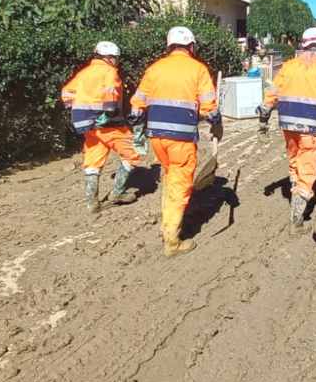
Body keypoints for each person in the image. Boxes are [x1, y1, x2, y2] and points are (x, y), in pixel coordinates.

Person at [129, 27, 222, 257]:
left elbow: (137, 104)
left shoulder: (154, 69)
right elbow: (209, 107)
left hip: (157, 137)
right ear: (191, 46)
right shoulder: (198, 69)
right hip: (180, 138)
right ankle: (172, 240)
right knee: (180, 184)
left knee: (170, 177)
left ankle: (167, 225)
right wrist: (216, 121)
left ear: (169, 46)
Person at [256, 28, 316, 235]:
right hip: (310, 129)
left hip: (288, 126)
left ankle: (295, 193)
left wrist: (264, 118)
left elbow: (271, 94)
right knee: (307, 170)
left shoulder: (288, 67)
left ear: (302, 46)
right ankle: (297, 221)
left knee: (294, 161)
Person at [61, 41, 141, 214]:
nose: (117, 62)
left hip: (88, 125)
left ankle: (92, 202)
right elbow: (111, 98)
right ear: (110, 58)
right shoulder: (110, 71)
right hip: (109, 124)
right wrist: (108, 113)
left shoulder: (83, 73)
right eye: (116, 58)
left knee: (93, 160)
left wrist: (80, 110)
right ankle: (117, 193)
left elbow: (66, 94)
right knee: (133, 154)